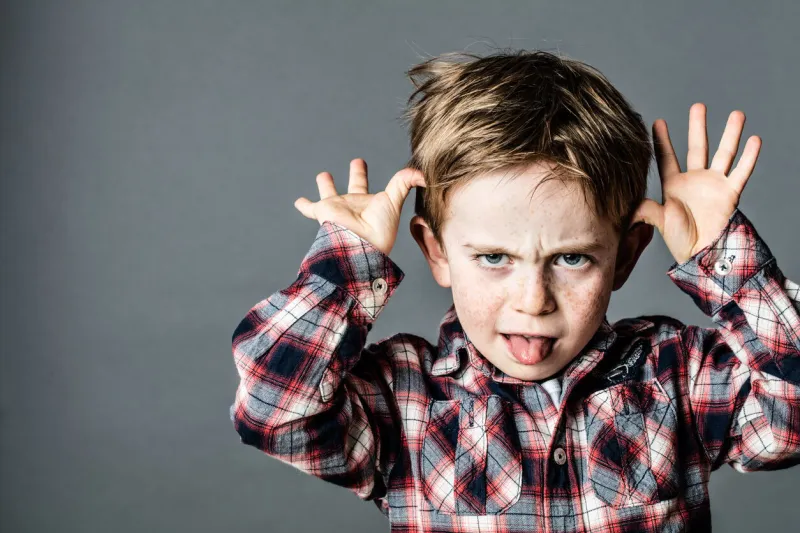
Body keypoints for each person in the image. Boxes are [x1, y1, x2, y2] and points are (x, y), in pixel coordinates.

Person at [228, 49, 800, 532]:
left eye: (571, 258)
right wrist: (349, 264)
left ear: (626, 255)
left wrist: (727, 262)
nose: (534, 300)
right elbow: (276, 413)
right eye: (495, 258)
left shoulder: (678, 377)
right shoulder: (406, 401)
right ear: (435, 251)